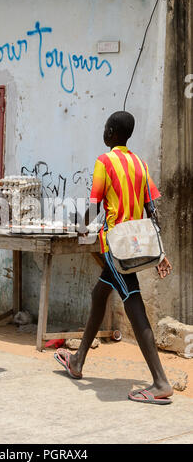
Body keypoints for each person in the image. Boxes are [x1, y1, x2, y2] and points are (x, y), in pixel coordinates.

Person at [54, 111, 173, 405]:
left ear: (109, 132)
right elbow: (152, 210)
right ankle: (78, 360)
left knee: (133, 300)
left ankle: (160, 382)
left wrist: (79, 229)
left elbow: (95, 205)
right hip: (137, 244)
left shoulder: (104, 162)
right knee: (99, 294)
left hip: (116, 246)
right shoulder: (140, 164)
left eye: (105, 128)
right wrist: (161, 251)